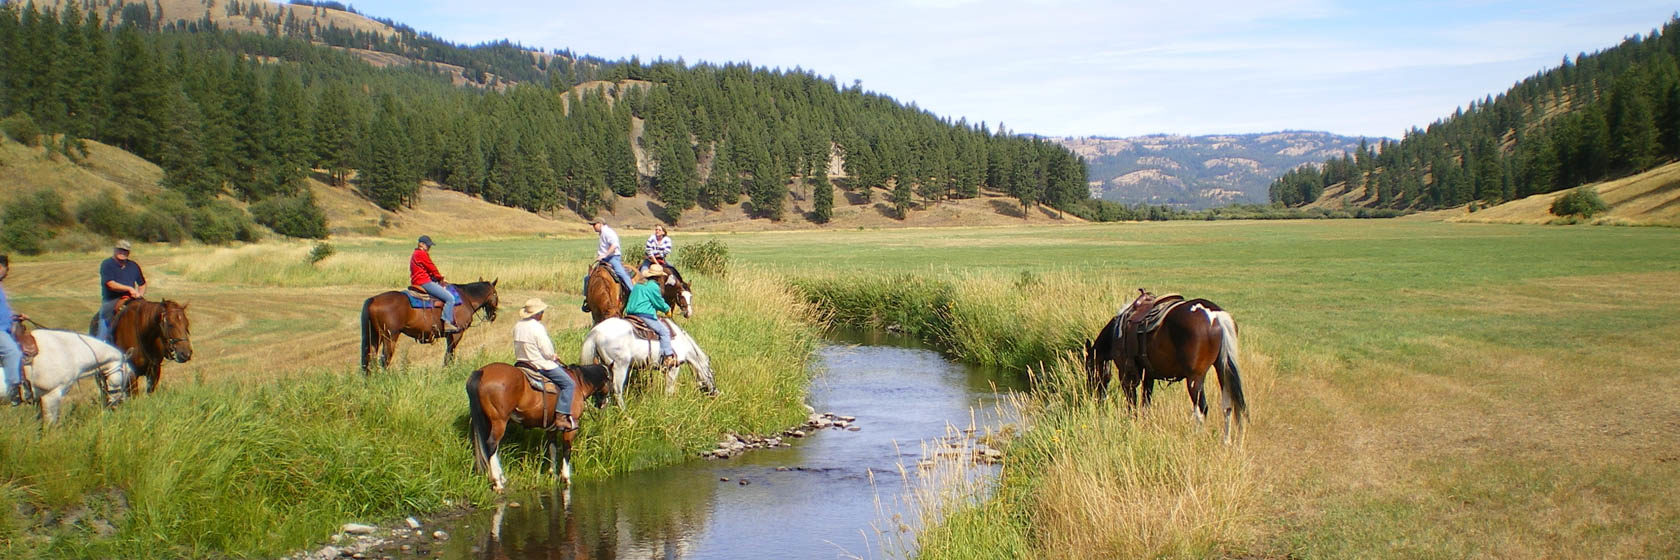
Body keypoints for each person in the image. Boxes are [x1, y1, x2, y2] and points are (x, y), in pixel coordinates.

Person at [513, 298, 576, 432]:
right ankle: (561, 417)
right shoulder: (537, 327)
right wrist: (553, 356)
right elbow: (547, 351)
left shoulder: (518, 326)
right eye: (541, 312)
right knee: (569, 384)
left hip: (522, 363)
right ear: (536, 313)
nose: (542, 314)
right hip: (540, 364)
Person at [625, 264, 677, 368]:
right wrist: (667, 310)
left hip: (630, 313)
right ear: (658, 277)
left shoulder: (639, 284)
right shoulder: (653, 286)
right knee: (664, 331)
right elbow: (658, 302)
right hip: (644, 314)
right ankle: (667, 357)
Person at [96, 240, 146, 343]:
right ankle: (101, 342)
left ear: (129, 252)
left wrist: (139, 295)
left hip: (132, 299)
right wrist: (129, 289)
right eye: (120, 250)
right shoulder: (107, 264)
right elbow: (110, 284)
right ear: (115, 250)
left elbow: (142, 283)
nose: (123, 253)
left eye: (125, 251)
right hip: (112, 300)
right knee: (105, 315)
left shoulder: (134, 265)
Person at [581, 218, 635, 313]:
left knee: (621, 273)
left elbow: (614, 245)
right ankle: (588, 300)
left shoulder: (608, 232)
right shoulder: (602, 233)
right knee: (588, 277)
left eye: (594, 225)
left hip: (613, 258)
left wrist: (605, 255)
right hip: (604, 259)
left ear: (600, 224)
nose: (593, 227)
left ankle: (633, 293)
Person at [411, 235, 460, 334]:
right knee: (450, 298)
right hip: (424, 282)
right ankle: (447, 322)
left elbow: (425, 269)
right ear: (421, 244)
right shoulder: (421, 254)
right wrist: (440, 278)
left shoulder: (415, 253)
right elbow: (431, 267)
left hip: (419, 280)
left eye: (429, 246)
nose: (429, 248)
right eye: (427, 245)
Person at [1, 255, 28, 405]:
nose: (7, 273)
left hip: (6, 327)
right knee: (12, 352)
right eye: (7, 269)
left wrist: (14, 317)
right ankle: (14, 391)